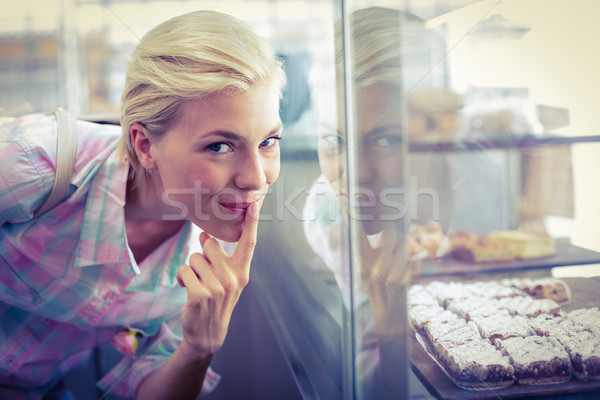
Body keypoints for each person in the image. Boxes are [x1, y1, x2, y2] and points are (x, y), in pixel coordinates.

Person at [0, 10, 285, 399]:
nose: (256, 178)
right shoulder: (35, 162)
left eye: (268, 142)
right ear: (145, 145)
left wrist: (198, 349)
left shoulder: (213, 243)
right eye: (219, 146)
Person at [303, 7, 458, 398]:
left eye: (387, 139)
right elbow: (373, 389)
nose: (355, 172)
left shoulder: (487, 185)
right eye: (335, 140)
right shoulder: (328, 213)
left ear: (440, 129)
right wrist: (390, 329)